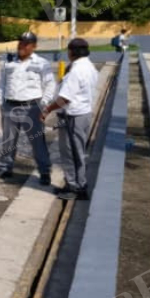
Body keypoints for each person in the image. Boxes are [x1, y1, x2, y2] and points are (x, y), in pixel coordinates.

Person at [0, 32, 56, 185]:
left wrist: (44, 103)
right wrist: (1, 103)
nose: (21, 46)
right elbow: (2, 83)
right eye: (20, 42)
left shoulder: (42, 63)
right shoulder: (8, 61)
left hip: (32, 107)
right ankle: (5, 168)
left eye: (26, 44)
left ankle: (44, 171)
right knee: (8, 140)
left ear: (34, 46)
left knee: (37, 142)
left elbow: (51, 84)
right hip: (10, 106)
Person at [41, 38, 99, 200]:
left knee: (70, 153)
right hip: (83, 114)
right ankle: (76, 184)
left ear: (72, 51)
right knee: (77, 152)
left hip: (73, 116)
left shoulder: (76, 71)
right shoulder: (89, 67)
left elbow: (64, 98)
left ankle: (75, 187)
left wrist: (47, 109)